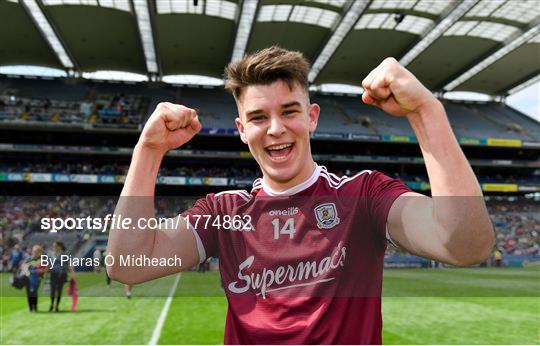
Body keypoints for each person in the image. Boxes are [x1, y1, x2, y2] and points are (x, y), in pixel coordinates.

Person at [107, 46, 494, 344]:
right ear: (242, 129)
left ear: (311, 117)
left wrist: (426, 112)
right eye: (259, 118)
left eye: (290, 111)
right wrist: (148, 150)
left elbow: (464, 244)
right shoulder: (223, 212)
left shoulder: (364, 195)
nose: (275, 129)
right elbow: (127, 265)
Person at [21, 245, 46, 312]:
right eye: (34, 251)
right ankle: (30, 307)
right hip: (28, 278)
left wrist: (41, 271)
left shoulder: (41, 260)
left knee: (34, 293)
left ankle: (35, 307)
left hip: (37, 279)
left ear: (39, 252)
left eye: (36, 251)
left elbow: (44, 269)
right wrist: (31, 271)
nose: (34, 252)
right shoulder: (28, 259)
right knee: (28, 293)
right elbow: (23, 267)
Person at [49, 241, 68, 312]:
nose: (54, 248)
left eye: (55, 246)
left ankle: (56, 306)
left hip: (61, 275)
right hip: (53, 274)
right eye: (53, 246)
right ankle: (52, 304)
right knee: (52, 291)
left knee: (59, 291)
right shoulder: (51, 254)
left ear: (59, 247)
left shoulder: (64, 255)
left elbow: (67, 265)